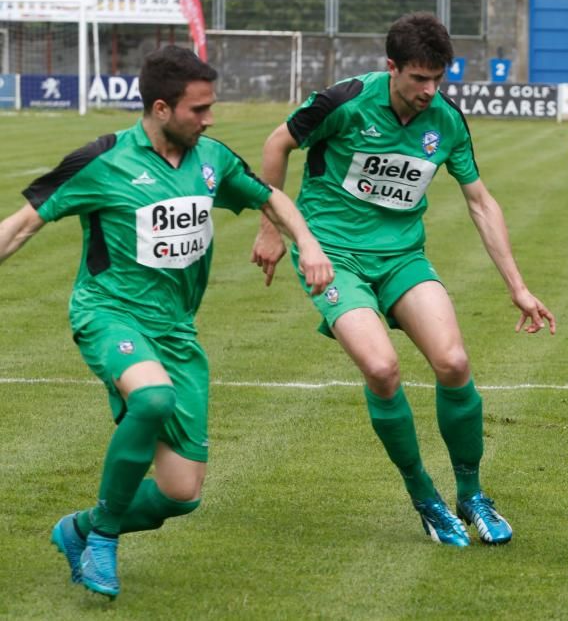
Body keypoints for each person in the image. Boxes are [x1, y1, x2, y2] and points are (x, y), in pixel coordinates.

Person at [0, 45, 333, 599]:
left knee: (181, 494)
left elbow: (270, 196)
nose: (209, 119)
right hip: (109, 313)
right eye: (198, 110)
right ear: (160, 109)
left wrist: (307, 241)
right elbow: (19, 227)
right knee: (150, 400)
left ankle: (79, 527)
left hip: (176, 332)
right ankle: (104, 538)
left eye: (210, 107)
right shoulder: (104, 160)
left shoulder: (212, 160)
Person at [250, 12, 555, 548]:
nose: (429, 90)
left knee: (454, 361)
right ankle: (426, 498)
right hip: (334, 256)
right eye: (418, 78)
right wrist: (272, 230)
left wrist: (518, 288)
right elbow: (278, 144)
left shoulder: (447, 120)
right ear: (390, 67)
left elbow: (480, 203)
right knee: (382, 368)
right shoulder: (343, 103)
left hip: (402, 259)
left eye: (439, 78)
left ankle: (471, 494)